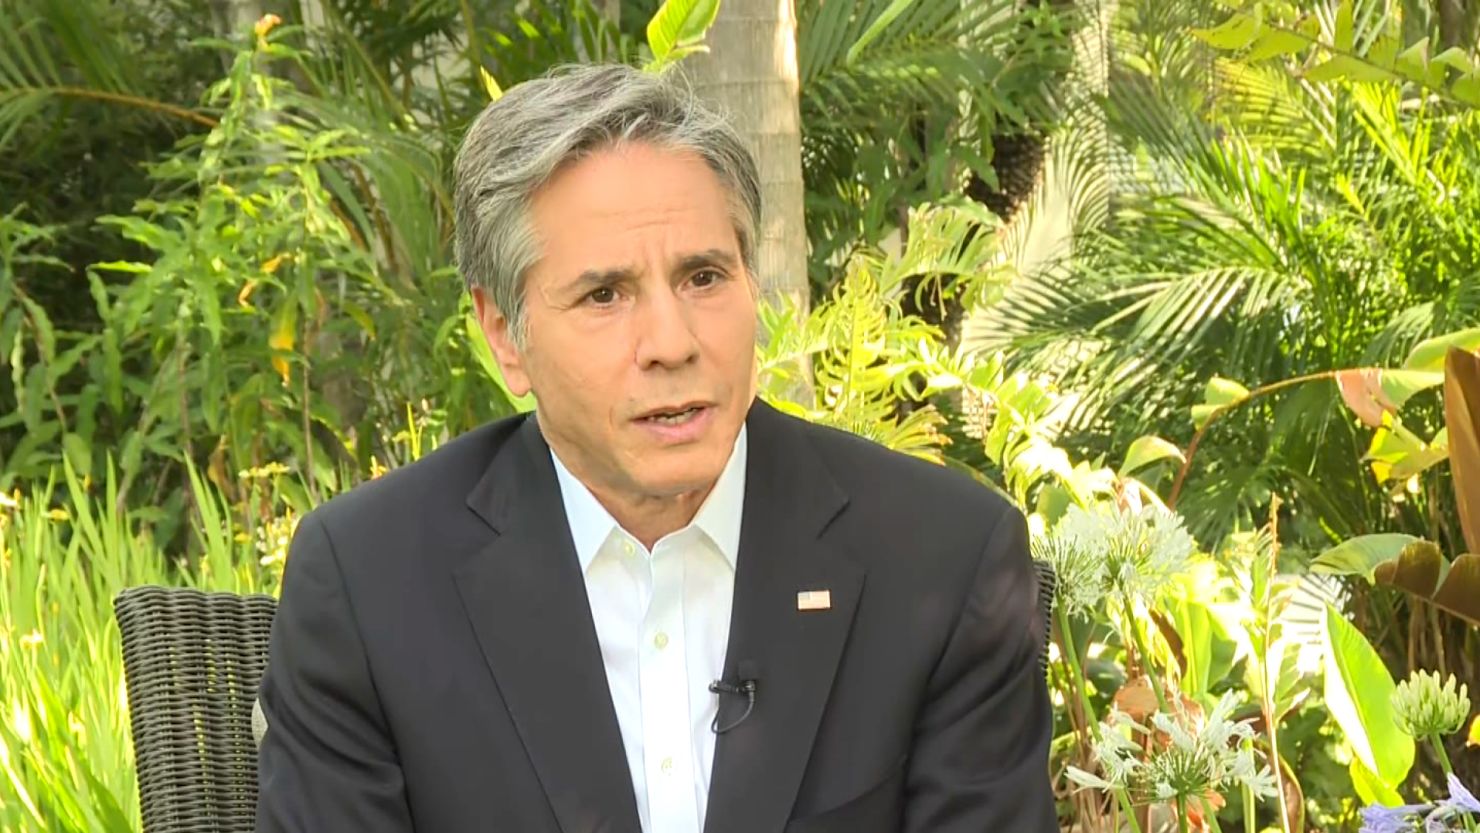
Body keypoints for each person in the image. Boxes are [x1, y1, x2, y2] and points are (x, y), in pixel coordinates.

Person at [255, 62, 1056, 833]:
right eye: (605, 294)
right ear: (505, 335)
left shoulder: (943, 562)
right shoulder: (370, 584)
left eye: (704, 277)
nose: (671, 342)